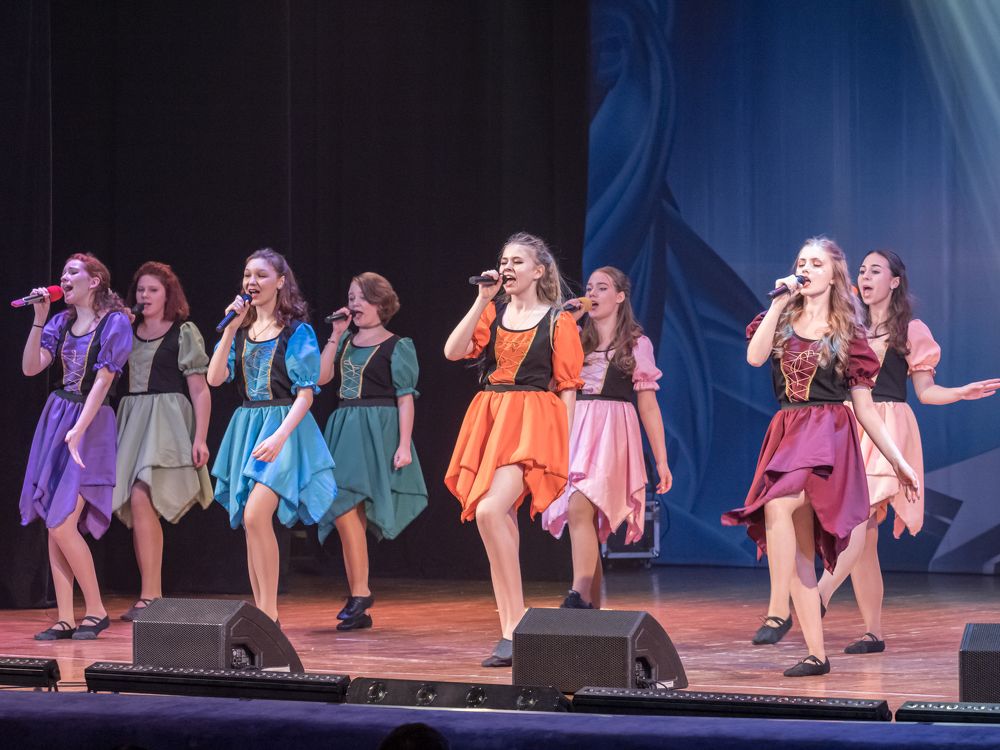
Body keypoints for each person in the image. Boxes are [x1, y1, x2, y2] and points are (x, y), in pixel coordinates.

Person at [721, 237, 919, 677]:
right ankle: (817, 654)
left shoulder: (849, 333)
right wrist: (778, 302)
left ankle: (777, 609)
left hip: (828, 432)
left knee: (778, 502)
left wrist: (898, 462)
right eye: (801, 262)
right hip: (788, 429)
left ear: (833, 275)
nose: (806, 269)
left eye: (816, 263)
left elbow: (865, 408)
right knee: (797, 547)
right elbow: (755, 358)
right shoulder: (781, 319)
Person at [814, 249, 999, 653]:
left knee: (859, 519)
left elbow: (926, 391)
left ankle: (819, 595)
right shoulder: (847, 327)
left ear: (894, 281)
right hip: (849, 428)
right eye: (862, 271)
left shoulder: (911, 330)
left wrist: (960, 392)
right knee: (865, 539)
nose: (865, 277)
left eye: (875, 271)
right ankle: (874, 632)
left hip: (888, 428)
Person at [444, 232, 583, 667]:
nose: (507, 268)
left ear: (539, 271)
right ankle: (511, 627)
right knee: (495, 517)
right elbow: (452, 351)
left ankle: (516, 622)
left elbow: (568, 388)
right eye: (504, 261)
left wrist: (564, 444)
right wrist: (481, 300)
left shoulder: (558, 321)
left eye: (517, 262)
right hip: (491, 417)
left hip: (533, 422)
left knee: (490, 511)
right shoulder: (493, 312)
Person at [207, 248, 336, 623]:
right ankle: (264, 614)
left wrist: (280, 437)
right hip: (248, 426)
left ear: (280, 281)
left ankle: (268, 612)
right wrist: (230, 328)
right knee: (251, 523)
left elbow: (306, 394)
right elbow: (215, 378)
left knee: (256, 513)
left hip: (284, 428)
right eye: (248, 275)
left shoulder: (297, 332)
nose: (252, 282)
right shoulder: (241, 331)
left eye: (261, 275)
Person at [541, 266, 671, 609]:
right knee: (579, 512)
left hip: (613, 432)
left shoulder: (636, 344)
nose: (592, 293)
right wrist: (565, 323)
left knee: (579, 506)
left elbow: (649, 406)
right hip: (576, 427)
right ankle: (589, 608)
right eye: (589, 288)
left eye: (602, 287)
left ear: (620, 296)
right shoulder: (573, 340)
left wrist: (661, 460)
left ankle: (578, 594)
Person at [21, 253, 132, 640]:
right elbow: (31, 367)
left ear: (95, 281)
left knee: (62, 522)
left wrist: (79, 429)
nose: (64, 278)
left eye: (72, 272)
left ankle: (96, 610)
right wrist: (39, 318)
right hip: (58, 416)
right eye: (63, 272)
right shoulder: (60, 322)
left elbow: (103, 382)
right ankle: (66, 616)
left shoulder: (115, 323)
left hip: (92, 423)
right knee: (54, 524)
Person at [317, 272, 428, 631]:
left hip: (379, 428)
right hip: (345, 426)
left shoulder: (398, 345)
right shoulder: (345, 341)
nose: (354, 304)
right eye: (351, 297)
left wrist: (404, 445)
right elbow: (321, 378)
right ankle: (359, 595)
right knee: (343, 509)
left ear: (381, 303)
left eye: (362, 297)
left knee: (351, 508)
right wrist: (335, 335)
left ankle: (359, 596)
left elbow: (406, 398)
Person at [113, 262, 214, 621]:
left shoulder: (183, 332)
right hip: (133, 420)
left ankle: (150, 595)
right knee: (140, 503)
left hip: (167, 422)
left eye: (153, 290)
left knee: (142, 496)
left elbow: (200, 390)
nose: (145, 296)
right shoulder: (127, 330)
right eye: (141, 289)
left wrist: (200, 437)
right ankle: (150, 593)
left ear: (168, 294)